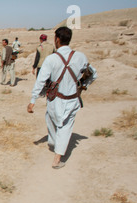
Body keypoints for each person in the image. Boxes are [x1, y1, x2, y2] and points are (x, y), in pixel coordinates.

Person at [27, 27, 97, 169]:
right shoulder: (81, 57)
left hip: (55, 100)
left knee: (52, 120)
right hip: (72, 99)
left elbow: (41, 81)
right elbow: (93, 74)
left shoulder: (51, 59)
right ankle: (57, 148)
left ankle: (57, 157)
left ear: (57, 39)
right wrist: (83, 85)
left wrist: (33, 100)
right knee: (65, 127)